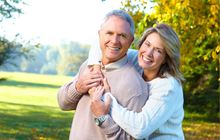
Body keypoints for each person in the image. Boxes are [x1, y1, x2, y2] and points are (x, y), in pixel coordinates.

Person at [57, 9, 149, 140]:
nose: (114, 41)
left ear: (131, 41)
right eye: (109, 33)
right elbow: (63, 103)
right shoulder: (88, 66)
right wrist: (78, 87)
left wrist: (103, 118)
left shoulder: (134, 86)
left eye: (122, 35)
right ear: (99, 34)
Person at [89, 24, 185, 139]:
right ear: (141, 43)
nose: (148, 53)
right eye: (147, 44)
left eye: (158, 51)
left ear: (166, 58)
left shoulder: (168, 86)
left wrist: (107, 98)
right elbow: (100, 45)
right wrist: (96, 70)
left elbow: (140, 129)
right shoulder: (137, 58)